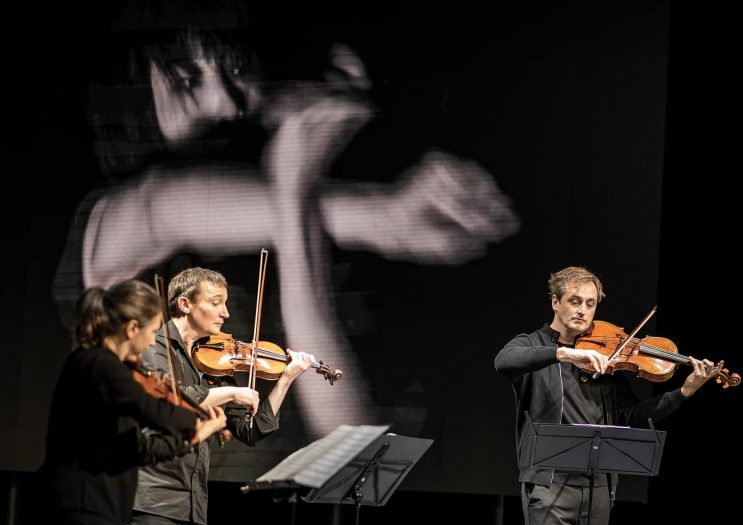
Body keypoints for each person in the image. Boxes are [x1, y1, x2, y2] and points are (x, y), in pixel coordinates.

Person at [54, 0, 518, 436]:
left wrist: (396, 206)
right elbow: (345, 438)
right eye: (185, 81)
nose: (226, 96)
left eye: (230, 62)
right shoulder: (133, 209)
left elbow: (362, 217)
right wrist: (305, 185)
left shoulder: (240, 160)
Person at [494, 266, 724, 525]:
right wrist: (567, 352)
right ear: (556, 303)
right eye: (575, 302)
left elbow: (633, 416)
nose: (584, 311)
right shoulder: (534, 346)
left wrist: (684, 391)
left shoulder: (610, 358)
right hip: (549, 484)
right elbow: (504, 361)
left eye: (591, 303)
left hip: (598, 485)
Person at [123, 267, 315, 525]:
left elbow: (250, 430)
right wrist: (230, 391)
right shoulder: (155, 348)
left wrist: (283, 381)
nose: (226, 313)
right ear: (184, 303)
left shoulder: (206, 365)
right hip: (152, 499)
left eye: (225, 303)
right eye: (215, 303)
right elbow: (170, 400)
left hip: (193, 505)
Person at [42, 280, 227, 525]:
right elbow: (153, 407)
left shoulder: (109, 374)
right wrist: (189, 413)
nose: (150, 345)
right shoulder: (97, 364)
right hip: (82, 508)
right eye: (150, 330)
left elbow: (138, 448)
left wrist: (196, 435)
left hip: (97, 509)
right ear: (131, 329)